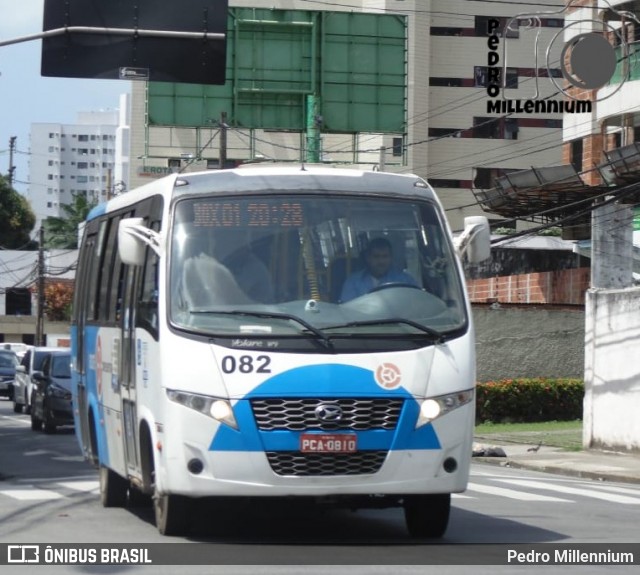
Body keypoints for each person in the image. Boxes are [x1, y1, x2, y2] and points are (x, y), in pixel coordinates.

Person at [340, 237, 418, 302]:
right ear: (368, 258)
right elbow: (348, 312)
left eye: (385, 256)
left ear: (391, 258)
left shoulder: (406, 281)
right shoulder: (353, 282)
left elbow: (415, 306)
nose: (381, 261)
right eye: (376, 256)